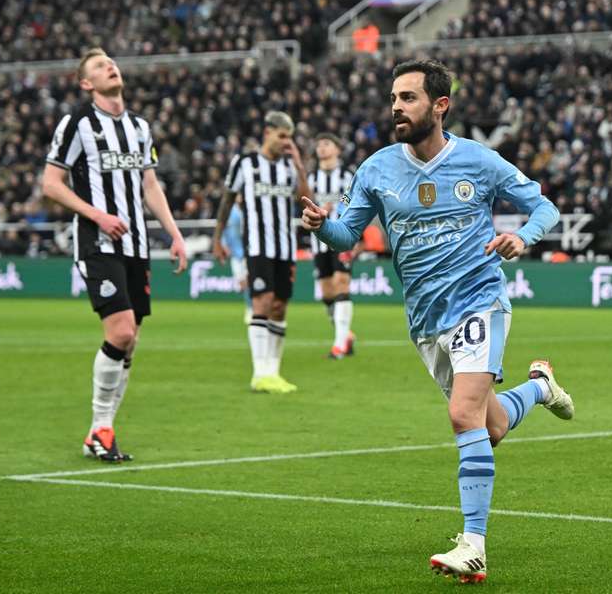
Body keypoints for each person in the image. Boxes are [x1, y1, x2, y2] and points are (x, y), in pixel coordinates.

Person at [301, 59, 574, 584]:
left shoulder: (478, 161)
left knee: (461, 414)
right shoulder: (378, 168)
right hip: (426, 321)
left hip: (480, 301)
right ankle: (539, 388)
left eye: (407, 98)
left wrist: (522, 237)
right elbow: (346, 236)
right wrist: (322, 227)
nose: (396, 107)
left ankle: (473, 545)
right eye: (394, 98)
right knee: (489, 426)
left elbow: (544, 207)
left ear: (439, 105)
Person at [41, 48, 188, 462]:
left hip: (137, 245)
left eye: (112, 62)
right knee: (120, 332)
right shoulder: (77, 123)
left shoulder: (140, 127)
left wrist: (174, 234)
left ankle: (98, 432)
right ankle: (102, 427)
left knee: (131, 341)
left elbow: (150, 186)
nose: (111, 67)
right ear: (87, 83)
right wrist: (98, 215)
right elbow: (51, 183)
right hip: (97, 242)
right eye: (100, 66)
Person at [212, 111, 310, 393]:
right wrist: (217, 239)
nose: (285, 142)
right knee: (262, 303)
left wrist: (300, 167)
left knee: (280, 307)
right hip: (257, 247)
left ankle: (273, 372)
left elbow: (307, 203)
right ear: (267, 132)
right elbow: (227, 201)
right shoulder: (244, 163)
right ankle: (259, 373)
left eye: (289, 137)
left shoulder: (289, 167)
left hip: (285, 248)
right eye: (282, 136)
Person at [308, 133, 356, 359]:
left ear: (337, 149)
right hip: (318, 242)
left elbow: (356, 206)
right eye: (319, 145)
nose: (321, 148)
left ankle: (339, 345)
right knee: (327, 292)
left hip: (342, 237)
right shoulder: (310, 179)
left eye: (326, 144)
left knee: (341, 283)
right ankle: (345, 334)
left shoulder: (348, 176)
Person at [221, 196, 253, 324]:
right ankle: (251, 306)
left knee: (247, 282)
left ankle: (251, 309)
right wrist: (224, 245)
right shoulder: (231, 212)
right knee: (242, 284)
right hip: (236, 253)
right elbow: (224, 230)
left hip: (249, 252)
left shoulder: (251, 209)